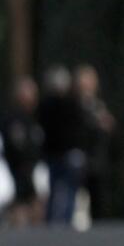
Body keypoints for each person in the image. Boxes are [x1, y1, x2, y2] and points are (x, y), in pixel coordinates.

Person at [38, 65, 87, 226]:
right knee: (56, 188)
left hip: (64, 154)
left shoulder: (70, 104)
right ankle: (55, 219)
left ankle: (64, 218)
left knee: (68, 188)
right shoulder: (49, 106)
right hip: (56, 154)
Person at [74, 64, 116, 220]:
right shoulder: (74, 106)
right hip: (81, 159)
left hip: (98, 159)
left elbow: (108, 127)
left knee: (99, 201)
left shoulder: (98, 105)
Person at [2, 77, 45, 226]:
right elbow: (16, 147)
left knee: (36, 208)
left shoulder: (34, 119)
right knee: (19, 209)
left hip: (33, 170)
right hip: (17, 171)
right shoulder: (13, 119)